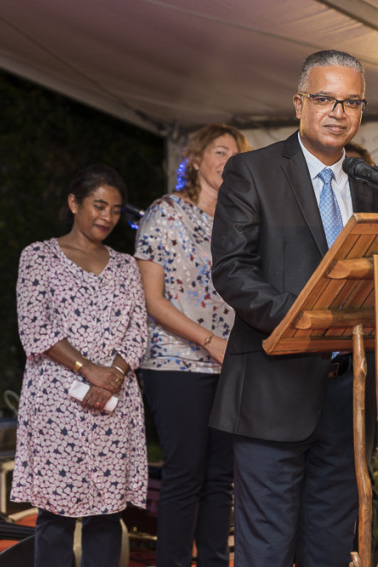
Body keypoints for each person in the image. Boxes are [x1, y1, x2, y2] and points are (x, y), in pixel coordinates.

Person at [210, 50, 378, 566]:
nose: (338, 112)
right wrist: (306, 317)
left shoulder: (375, 185)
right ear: (299, 103)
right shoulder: (253, 171)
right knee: (266, 550)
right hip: (274, 389)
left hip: (349, 396)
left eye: (351, 102)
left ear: (361, 111)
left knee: (328, 549)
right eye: (324, 99)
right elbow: (232, 269)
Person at [11, 164, 148, 566]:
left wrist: (114, 378)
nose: (107, 217)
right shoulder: (38, 256)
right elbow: (35, 328)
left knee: (106, 514)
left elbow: (137, 333)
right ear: (74, 203)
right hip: (57, 402)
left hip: (113, 402)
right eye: (98, 205)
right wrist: (90, 370)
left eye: (116, 210)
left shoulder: (126, 266)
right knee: (55, 516)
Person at [134, 124, 250, 566]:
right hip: (175, 363)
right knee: (185, 475)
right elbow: (151, 298)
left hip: (230, 364)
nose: (228, 161)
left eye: (235, 155)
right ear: (196, 159)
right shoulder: (165, 213)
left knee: (221, 478)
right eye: (220, 151)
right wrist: (208, 340)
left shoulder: (241, 220)